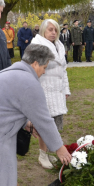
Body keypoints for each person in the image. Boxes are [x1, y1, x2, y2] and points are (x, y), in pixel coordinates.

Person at [0, 44, 72, 186]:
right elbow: (44, 121)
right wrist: (59, 148)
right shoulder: (28, 81)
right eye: (44, 67)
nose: (43, 72)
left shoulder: (13, 71)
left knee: (2, 169)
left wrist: (26, 123)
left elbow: (5, 105)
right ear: (35, 63)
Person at [31, 20, 71, 169]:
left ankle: (50, 153)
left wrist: (66, 89)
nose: (53, 32)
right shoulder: (36, 46)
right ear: (43, 31)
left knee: (53, 125)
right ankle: (42, 154)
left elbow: (63, 70)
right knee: (44, 125)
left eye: (55, 30)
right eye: (50, 29)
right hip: (44, 90)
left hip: (57, 90)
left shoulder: (59, 45)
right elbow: (31, 70)